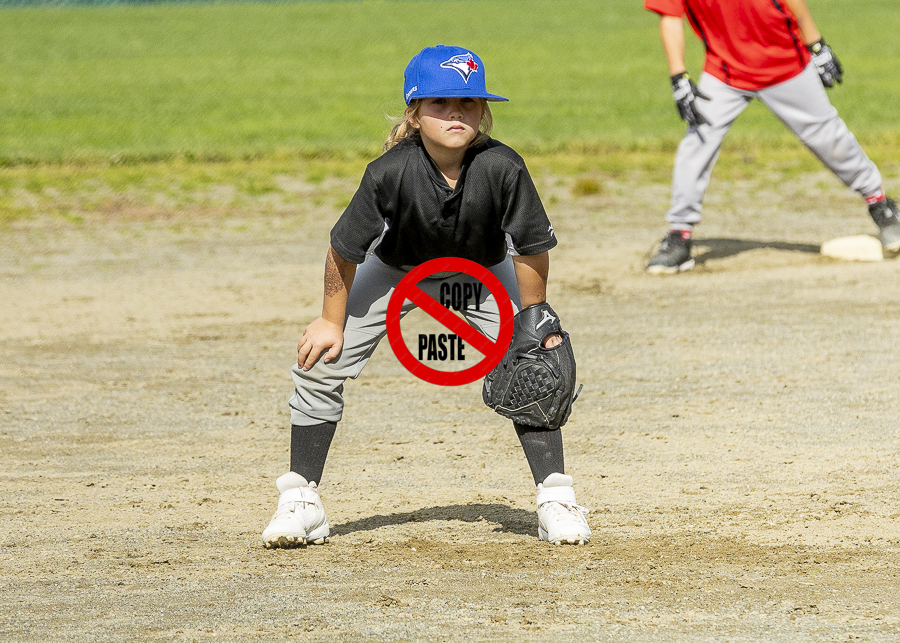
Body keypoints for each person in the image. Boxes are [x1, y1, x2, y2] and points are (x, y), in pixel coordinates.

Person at [261, 45, 591, 548]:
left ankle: (555, 497)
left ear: (484, 113)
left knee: (533, 365)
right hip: (396, 269)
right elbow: (342, 249)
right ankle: (300, 500)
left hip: (480, 270)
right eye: (440, 103)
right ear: (414, 115)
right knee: (321, 359)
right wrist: (330, 321)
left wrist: (533, 318)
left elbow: (530, 249)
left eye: (468, 103)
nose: (455, 113)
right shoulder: (389, 172)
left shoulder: (504, 167)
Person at [644, 0, 900, 274]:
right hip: (725, 70)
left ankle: (881, 205)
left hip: (785, 63)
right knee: (697, 143)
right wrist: (678, 76)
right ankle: (679, 235)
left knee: (829, 138)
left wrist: (815, 43)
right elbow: (669, 15)